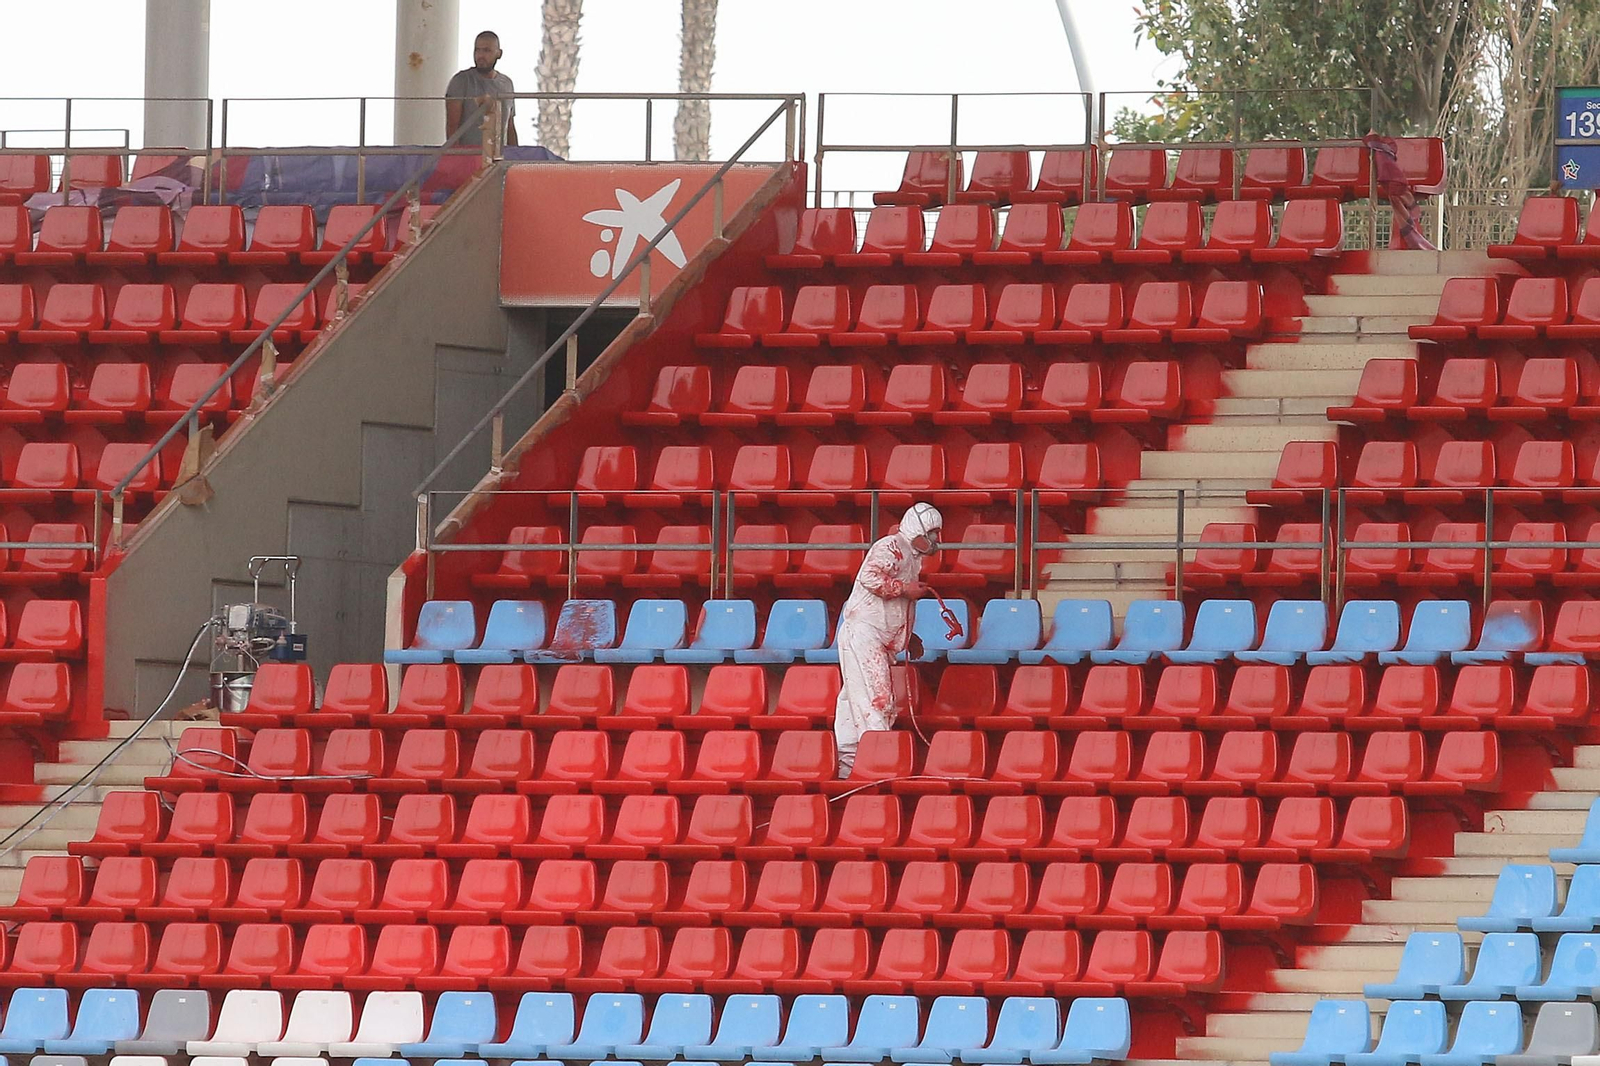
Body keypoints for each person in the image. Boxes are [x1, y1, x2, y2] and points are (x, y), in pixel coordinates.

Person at [833, 503, 942, 778]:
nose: (936, 540)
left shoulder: (911, 557)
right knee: (878, 701)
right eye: (933, 532)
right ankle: (877, 770)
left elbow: (890, 607)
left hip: (874, 639)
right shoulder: (891, 546)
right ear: (918, 529)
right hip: (865, 636)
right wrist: (904, 588)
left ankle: (849, 768)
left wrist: (908, 636)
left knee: (854, 700)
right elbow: (869, 576)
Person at [445, 30, 519, 147]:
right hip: (469, 157)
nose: (480, 55)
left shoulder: (507, 84)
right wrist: (457, 159)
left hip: (500, 159)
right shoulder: (462, 81)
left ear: (499, 53)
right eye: (477, 50)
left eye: (486, 50)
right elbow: (452, 126)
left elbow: (509, 126)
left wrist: (515, 157)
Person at [1365, 132, 1434, 250]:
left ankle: (1408, 236)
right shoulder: (1386, 157)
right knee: (1400, 195)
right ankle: (1410, 236)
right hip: (1395, 186)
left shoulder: (1379, 153)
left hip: (1393, 186)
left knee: (1399, 194)